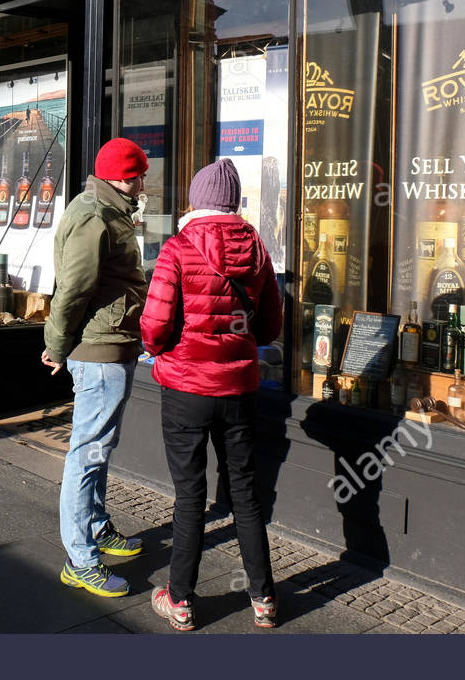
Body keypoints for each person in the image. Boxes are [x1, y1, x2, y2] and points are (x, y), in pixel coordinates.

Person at [140, 158, 284, 631]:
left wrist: (159, 347)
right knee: (245, 493)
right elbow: (269, 327)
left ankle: (180, 600)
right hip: (239, 388)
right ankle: (264, 598)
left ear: (197, 201)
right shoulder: (258, 250)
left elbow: (156, 326)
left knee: (190, 495)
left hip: (185, 388)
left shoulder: (178, 248)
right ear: (234, 203)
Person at [42, 136, 149, 598]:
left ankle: (97, 527)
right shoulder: (93, 215)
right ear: (121, 176)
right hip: (98, 351)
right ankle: (79, 558)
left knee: (99, 450)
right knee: (86, 454)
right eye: (139, 174)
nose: (143, 181)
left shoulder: (109, 210)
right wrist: (57, 344)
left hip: (113, 346)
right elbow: (73, 290)